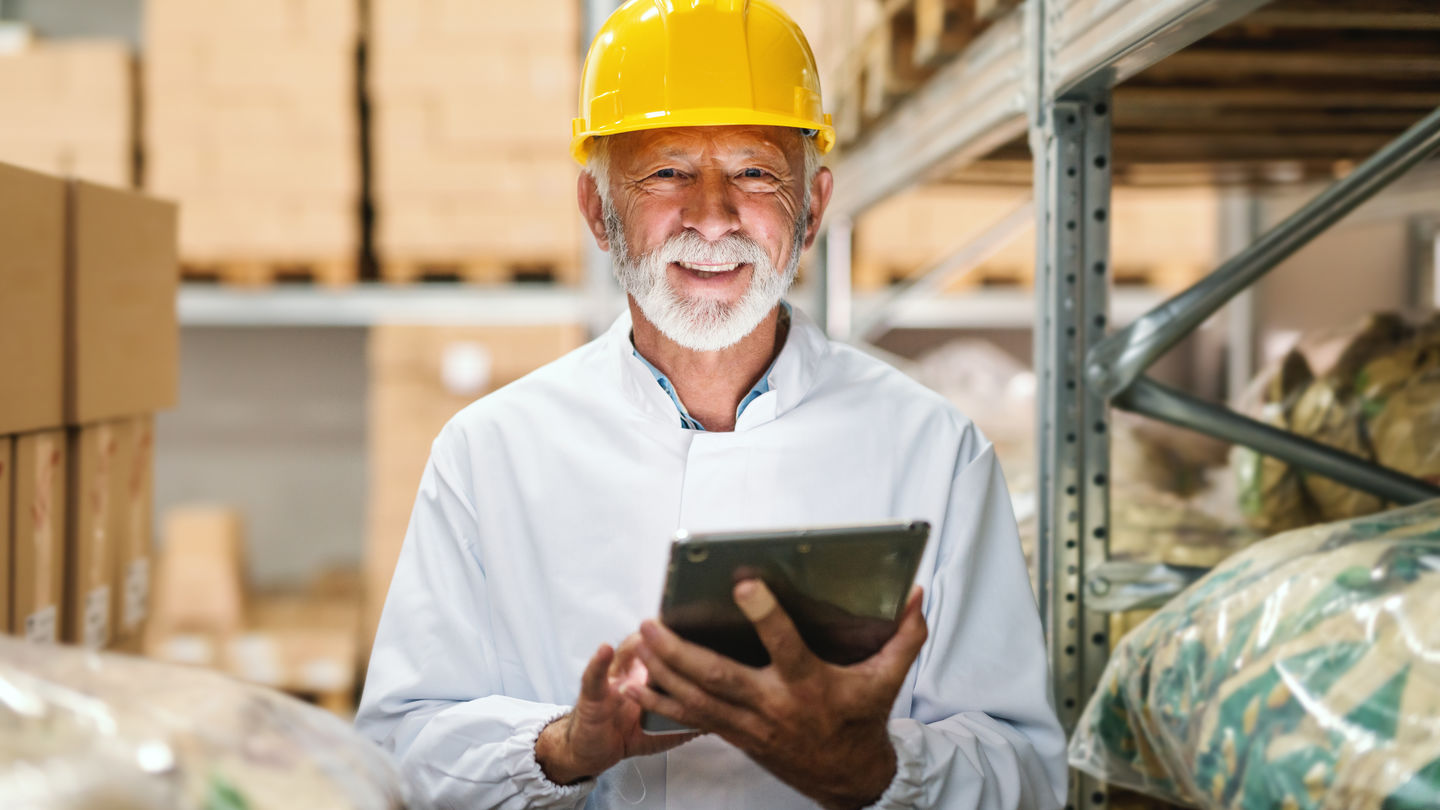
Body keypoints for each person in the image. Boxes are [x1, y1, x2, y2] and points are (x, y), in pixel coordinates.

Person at [356, 1, 1067, 807]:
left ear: (814, 207)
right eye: (666, 172)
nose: (712, 216)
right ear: (597, 209)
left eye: (755, 172)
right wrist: (561, 746)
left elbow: (1029, 776)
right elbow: (397, 754)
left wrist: (869, 767)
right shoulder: (489, 452)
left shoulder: (932, 449)